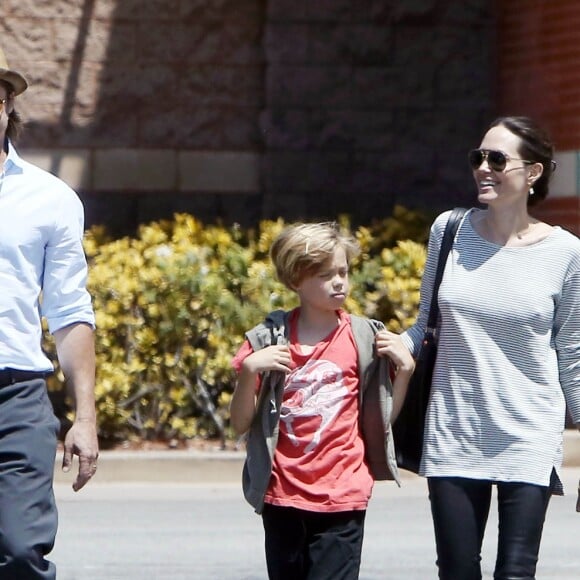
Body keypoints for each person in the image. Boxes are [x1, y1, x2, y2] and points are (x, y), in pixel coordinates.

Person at [389, 116, 580, 579]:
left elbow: (572, 354)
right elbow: (426, 324)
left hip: (528, 432)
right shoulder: (449, 231)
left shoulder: (566, 253)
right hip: (455, 428)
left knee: (516, 572)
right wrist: (397, 344)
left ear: (532, 173)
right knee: (456, 570)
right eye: (478, 158)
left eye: (497, 159)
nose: (483, 168)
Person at [230, 222, 414, 580]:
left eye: (343, 272)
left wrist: (404, 371)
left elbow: (382, 421)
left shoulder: (364, 338)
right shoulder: (268, 340)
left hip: (343, 495)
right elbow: (239, 423)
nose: (339, 282)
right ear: (295, 280)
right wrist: (249, 371)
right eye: (325, 274)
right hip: (282, 494)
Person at [0, 49, 99, 578]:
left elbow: (68, 310)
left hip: (15, 398)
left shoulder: (50, 199)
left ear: (8, 105)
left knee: (19, 551)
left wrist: (84, 416)